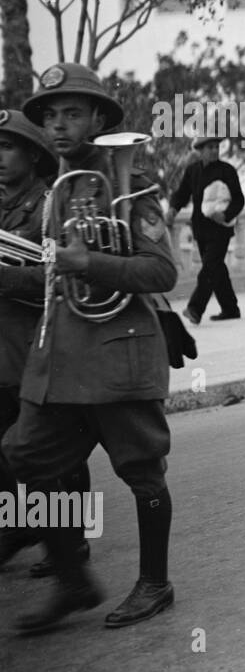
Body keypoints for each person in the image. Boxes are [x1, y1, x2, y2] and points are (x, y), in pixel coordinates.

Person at [5, 62, 178, 631]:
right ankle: (73, 579)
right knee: (27, 455)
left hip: (120, 351)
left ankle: (155, 582)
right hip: (61, 358)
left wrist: (91, 261)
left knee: (141, 471)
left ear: (100, 118)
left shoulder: (134, 185)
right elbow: (56, 275)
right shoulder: (62, 188)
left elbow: (160, 272)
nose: (57, 126)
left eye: (72, 114)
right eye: (50, 116)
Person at [0, 110, 92, 576]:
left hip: (37, 349)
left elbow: (67, 276)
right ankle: (24, 525)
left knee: (56, 453)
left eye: (6, 146)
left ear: (32, 153)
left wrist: (8, 279)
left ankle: (73, 545)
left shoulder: (50, 204)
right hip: (2, 351)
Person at [166, 132, 245, 324]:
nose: (214, 150)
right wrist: (172, 209)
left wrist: (225, 215)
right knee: (216, 269)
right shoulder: (193, 170)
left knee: (209, 268)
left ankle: (195, 309)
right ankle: (230, 308)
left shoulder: (227, 171)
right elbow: (182, 193)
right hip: (201, 230)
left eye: (216, 147)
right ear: (200, 151)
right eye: (210, 147)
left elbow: (239, 200)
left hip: (221, 229)